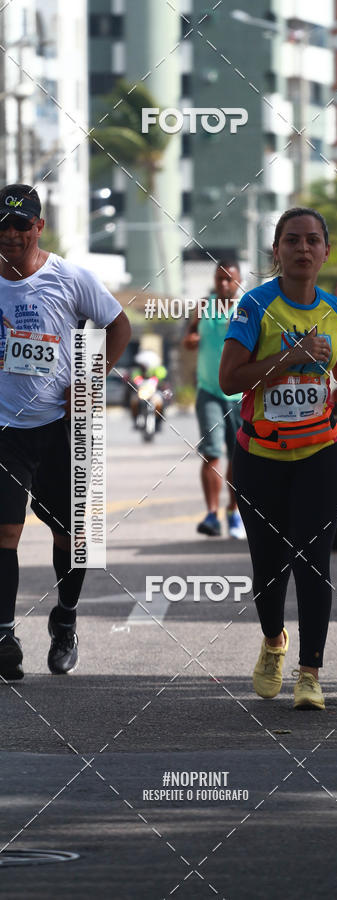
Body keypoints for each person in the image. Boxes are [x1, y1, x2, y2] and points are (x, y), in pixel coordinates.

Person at [219, 207, 337, 710]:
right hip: (260, 455)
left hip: (320, 452)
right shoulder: (253, 306)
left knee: (313, 562)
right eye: (293, 240)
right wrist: (289, 357)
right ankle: (274, 642)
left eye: (313, 240)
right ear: (277, 251)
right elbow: (230, 380)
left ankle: (310, 673)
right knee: (269, 568)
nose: (304, 249)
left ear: (326, 251)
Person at [0, 184, 131, 680]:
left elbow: (118, 326)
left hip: (62, 427)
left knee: (73, 537)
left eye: (21, 224)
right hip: (5, 429)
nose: (11, 234)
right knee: (5, 532)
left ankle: (66, 619)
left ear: (39, 227)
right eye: (2, 225)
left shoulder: (69, 277)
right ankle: (4, 637)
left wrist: (90, 379)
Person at [183, 260, 245, 539]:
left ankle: (234, 513)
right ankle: (211, 515)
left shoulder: (248, 307)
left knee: (238, 456)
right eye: (219, 279)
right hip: (208, 389)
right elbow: (190, 335)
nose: (223, 284)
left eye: (228, 280)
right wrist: (191, 340)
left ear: (238, 280)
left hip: (239, 393)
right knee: (212, 452)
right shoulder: (203, 305)